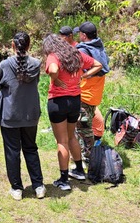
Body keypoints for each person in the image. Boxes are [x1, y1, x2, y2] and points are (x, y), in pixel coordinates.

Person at [42, 34, 102, 191]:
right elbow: (98, 65)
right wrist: (84, 75)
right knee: (71, 136)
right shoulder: (75, 54)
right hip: (75, 100)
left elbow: (53, 69)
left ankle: (63, 179)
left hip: (58, 102)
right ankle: (79, 171)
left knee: (62, 141)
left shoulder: (53, 56)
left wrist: (54, 79)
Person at [0, 32, 46, 200]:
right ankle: (38, 186)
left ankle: (17, 188)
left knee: (12, 151)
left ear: (13, 45)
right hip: (30, 113)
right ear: (29, 46)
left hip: (10, 114)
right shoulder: (36, 64)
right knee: (31, 148)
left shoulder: (5, 64)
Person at [74, 21, 110, 162]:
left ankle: (87, 158)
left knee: (83, 128)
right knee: (89, 124)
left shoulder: (83, 50)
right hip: (95, 94)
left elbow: (78, 71)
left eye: (79, 34)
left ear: (83, 35)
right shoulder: (99, 48)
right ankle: (88, 153)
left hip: (84, 94)